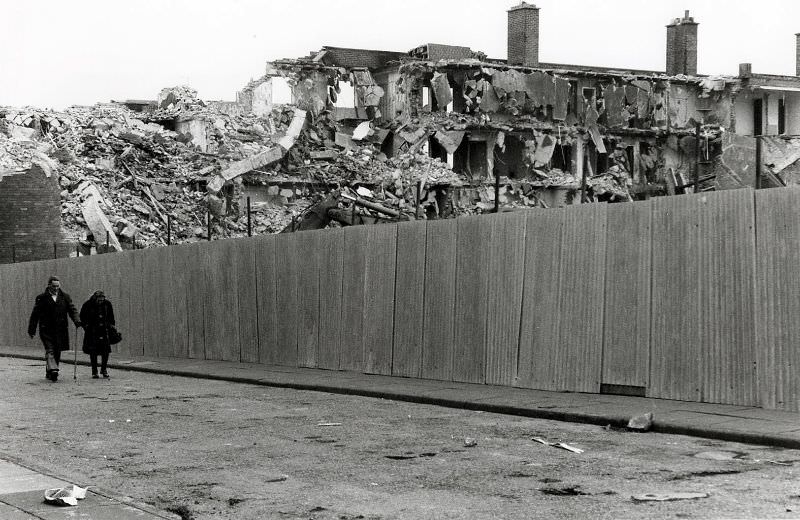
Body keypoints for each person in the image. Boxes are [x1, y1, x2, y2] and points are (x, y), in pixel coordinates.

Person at [28, 276, 81, 382]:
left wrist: (77, 320)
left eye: (58, 286)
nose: (56, 288)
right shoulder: (42, 298)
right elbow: (35, 314)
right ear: (49, 285)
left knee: (57, 350)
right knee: (50, 349)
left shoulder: (65, 297)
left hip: (60, 329)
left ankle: (50, 370)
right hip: (46, 329)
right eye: (54, 286)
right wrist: (32, 329)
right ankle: (54, 370)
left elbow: (72, 309)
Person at [80, 291, 115, 379]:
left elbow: (111, 316)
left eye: (102, 300)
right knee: (93, 352)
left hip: (104, 330)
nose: (101, 302)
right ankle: (94, 371)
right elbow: (82, 316)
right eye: (99, 300)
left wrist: (111, 325)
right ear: (95, 298)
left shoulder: (107, 304)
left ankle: (104, 369)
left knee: (105, 351)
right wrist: (86, 326)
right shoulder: (88, 304)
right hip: (92, 331)